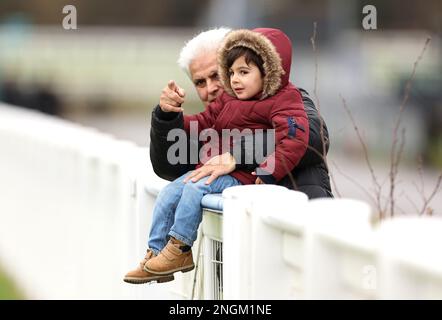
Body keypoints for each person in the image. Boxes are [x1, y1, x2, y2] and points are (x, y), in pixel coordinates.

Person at [124, 28, 321, 284]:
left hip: (289, 231)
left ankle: (180, 249)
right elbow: (172, 161)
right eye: (200, 82)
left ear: (268, 70)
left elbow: (307, 139)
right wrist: (167, 116)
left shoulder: (290, 99)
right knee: (170, 191)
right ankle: (157, 254)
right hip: (236, 234)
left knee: (196, 186)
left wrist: (245, 160)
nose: (215, 87)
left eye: (218, 75)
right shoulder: (229, 102)